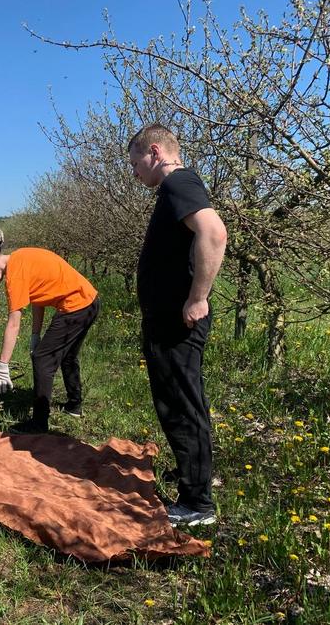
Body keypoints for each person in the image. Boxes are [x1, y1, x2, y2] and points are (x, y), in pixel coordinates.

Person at [128, 124, 227, 526]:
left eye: (135, 163)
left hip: (176, 323)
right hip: (167, 320)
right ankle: (192, 478)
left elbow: (214, 233)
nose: (134, 173)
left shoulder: (178, 183)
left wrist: (198, 297)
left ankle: (197, 504)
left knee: (182, 407)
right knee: (178, 404)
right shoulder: (176, 189)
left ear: (154, 152)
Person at [0, 246, 100, 433]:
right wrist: (35, 335)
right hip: (90, 301)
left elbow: (14, 323)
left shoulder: (15, 275)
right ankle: (74, 406)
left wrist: (3, 366)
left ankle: (39, 424)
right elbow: (39, 298)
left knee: (42, 359)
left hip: (76, 307)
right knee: (68, 356)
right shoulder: (20, 257)